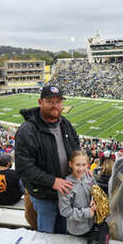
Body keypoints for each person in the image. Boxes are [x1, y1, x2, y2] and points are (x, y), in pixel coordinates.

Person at [15, 85, 79, 233]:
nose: (55, 105)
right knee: (46, 235)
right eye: (50, 101)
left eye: (58, 101)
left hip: (66, 193)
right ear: (40, 102)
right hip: (44, 195)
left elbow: (76, 149)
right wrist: (53, 181)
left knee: (64, 233)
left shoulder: (65, 124)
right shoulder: (27, 130)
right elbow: (24, 167)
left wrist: (81, 166)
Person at [58, 150, 96, 236]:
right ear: (70, 164)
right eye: (77, 165)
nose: (81, 169)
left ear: (88, 165)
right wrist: (86, 213)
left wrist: (94, 201)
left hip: (91, 224)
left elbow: (96, 191)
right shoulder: (66, 185)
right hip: (76, 230)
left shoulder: (89, 177)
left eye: (84, 165)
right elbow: (65, 211)